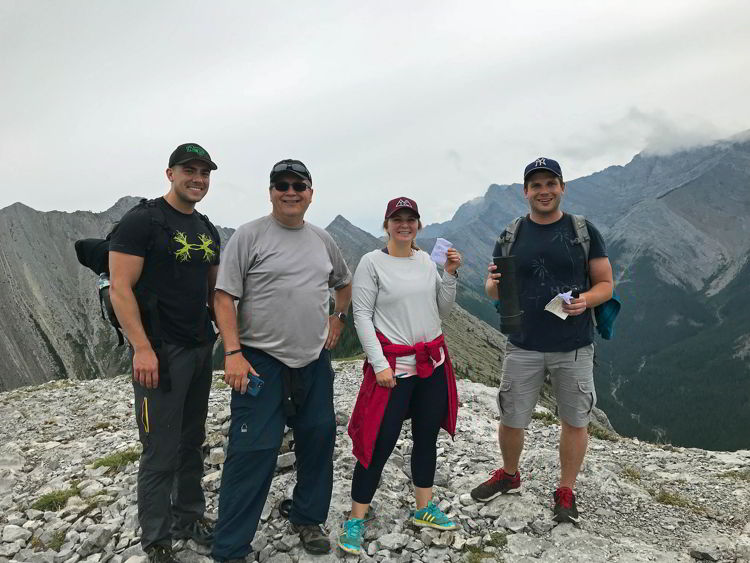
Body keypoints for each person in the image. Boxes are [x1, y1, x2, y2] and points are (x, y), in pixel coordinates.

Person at [211, 159, 352, 562]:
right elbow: (224, 297)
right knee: (252, 450)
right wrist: (233, 353)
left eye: (298, 185)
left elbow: (343, 283)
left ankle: (307, 517)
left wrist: (338, 319)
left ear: (311, 192)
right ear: (271, 191)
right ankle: (231, 548)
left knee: (319, 438)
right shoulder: (248, 236)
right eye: (281, 185)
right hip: (260, 361)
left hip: (312, 360)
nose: (290, 192)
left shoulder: (322, 239)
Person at [469, 157, 613, 524]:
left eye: (550, 183)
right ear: (526, 192)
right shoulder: (511, 234)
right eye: (536, 185)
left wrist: (587, 301)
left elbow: (605, 284)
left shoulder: (583, 230)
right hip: (523, 343)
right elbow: (492, 292)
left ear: (562, 187)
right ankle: (509, 474)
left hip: (574, 344)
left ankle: (565, 490)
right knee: (512, 417)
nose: (544, 191)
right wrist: (493, 281)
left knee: (575, 420)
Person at [109, 143, 221, 562]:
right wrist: (141, 349)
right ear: (170, 173)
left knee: (192, 440)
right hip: (160, 352)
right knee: (159, 449)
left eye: (204, 172)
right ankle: (157, 541)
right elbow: (121, 288)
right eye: (189, 170)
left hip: (198, 348)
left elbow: (212, 292)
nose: (198, 178)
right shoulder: (143, 221)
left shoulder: (206, 228)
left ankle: (188, 516)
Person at [338, 197, 462, 555]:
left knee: (426, 438)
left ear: (419, 225)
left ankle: (424, 508)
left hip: (432, 365)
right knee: (377, 443)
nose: (404, 224)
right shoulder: (372, 263)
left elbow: (442, 310)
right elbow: (362, 315)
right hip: (395, 368)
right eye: (397, 219)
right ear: (387, 224)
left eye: (410, 219)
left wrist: (449, 276)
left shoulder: (426, 260)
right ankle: (356, 517)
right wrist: (378, 364)